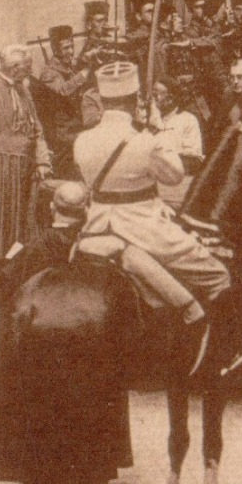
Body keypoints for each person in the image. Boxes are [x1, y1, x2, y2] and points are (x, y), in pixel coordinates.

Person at [0, 179, 137, 484]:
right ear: (85, 210)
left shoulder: (31, 247)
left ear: (52, 207)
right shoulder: (95, 254)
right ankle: (92, 469)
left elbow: (1, 283)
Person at [74, 60, 231, 310]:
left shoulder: (82, 140)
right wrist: (156, 131)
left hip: (95, 226)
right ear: (136, 98)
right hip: (143, 229)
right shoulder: (147, 141)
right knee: (218, 277)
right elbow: (175, 176)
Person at [0, 43, 53, 261]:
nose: (31, 70)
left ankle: (20, 266)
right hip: (2, 169)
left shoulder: (23, 90)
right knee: (3, 222)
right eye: (27, 66)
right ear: (14, 67)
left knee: (25, 222)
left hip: (25, 168)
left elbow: (37, 129)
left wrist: (42, 161)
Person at [35, 25, 91, 181]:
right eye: (66, 48)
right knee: (67, 177)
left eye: (72, 47)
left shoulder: (70, 65)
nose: (71, 52)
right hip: (63, 134)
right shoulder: (48, 72)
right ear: (55, 49)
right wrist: (83, 75)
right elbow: (63, 91)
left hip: (76, 128)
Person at [151, 81, 204, 208]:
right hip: (154, 189)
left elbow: (193, 159)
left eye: (156, 95)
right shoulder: (149, 120)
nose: (152, 100)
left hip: (178, 188)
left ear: (170, 98)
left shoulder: (188, 119)